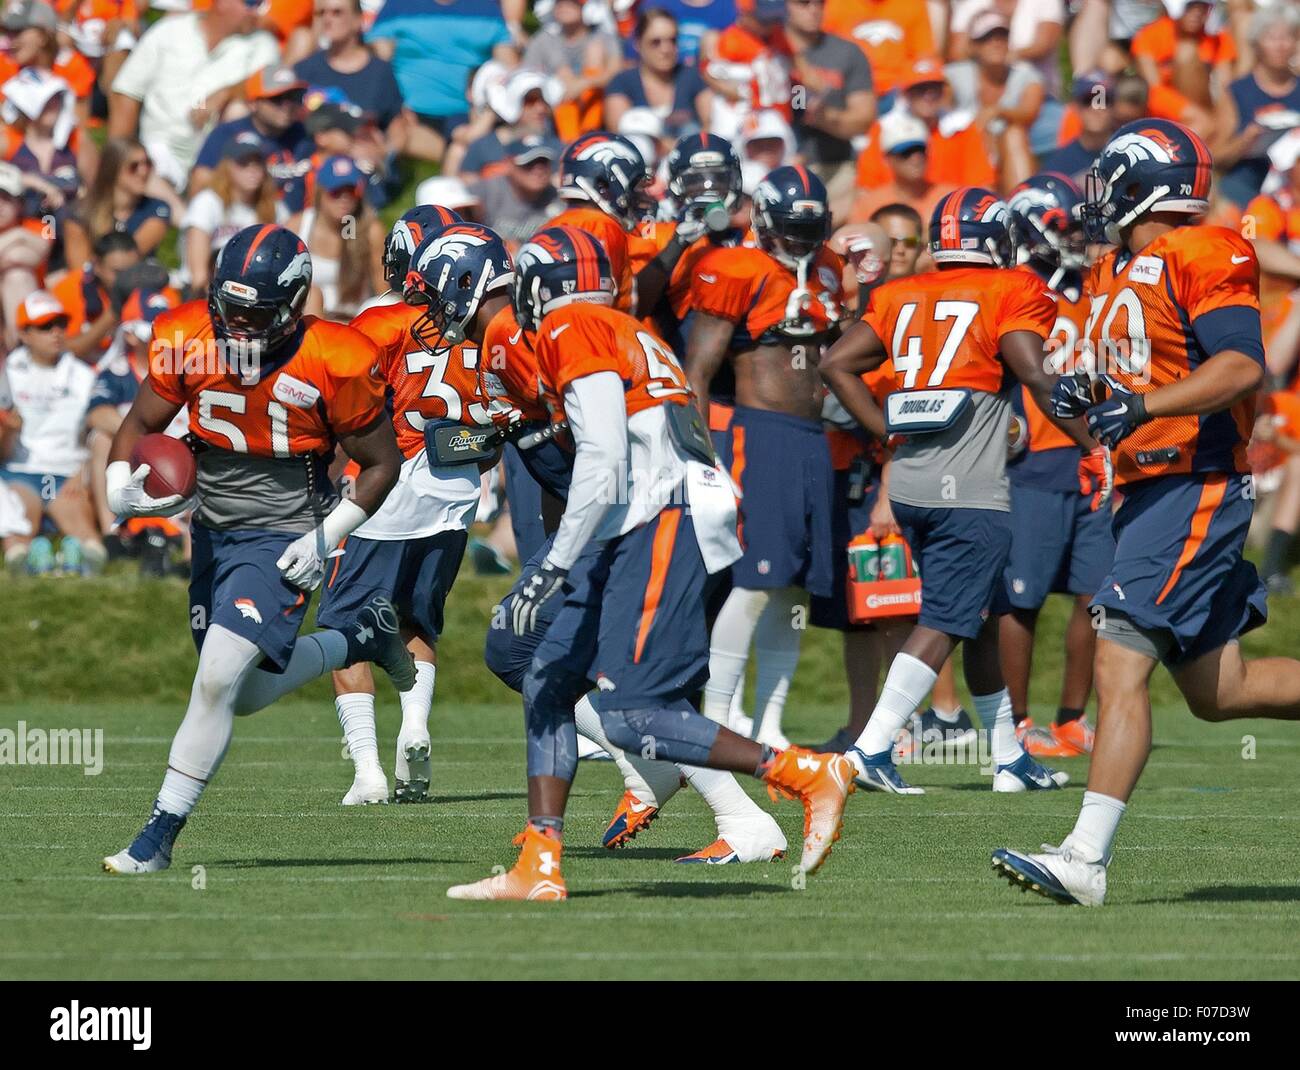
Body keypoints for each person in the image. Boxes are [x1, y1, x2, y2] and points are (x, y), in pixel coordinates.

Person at [446, 225, 855, 900]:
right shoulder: (619, 323)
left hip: (664, 513)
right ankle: (539, 867)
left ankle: (804, 773)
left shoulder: (572, 325)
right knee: (547, 676)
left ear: (537, 286)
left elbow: (603, 458)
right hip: (656, 511)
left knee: (635, 712)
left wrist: (553, 565)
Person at [992, 118, 1300, 907]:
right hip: (1140, 488)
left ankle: (1084, 860)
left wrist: (1141, 405)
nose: (1100, 198)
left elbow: (1239, 364)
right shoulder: (1110, 271)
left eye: (1111, 180)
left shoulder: (1207, 249)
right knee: (1220, 690)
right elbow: (1123, 381)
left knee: (1118, 656)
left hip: (1191, 481)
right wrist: (1084, 398)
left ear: (1144, 184)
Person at [101, 223, 415, 875]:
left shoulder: (337, 356)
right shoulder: (186, 334)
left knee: (215, 677)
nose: (240, 325)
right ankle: (358, 638)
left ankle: (157, 837)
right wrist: (116, 486)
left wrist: (326, 536)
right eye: (231, 308)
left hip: (286, 529)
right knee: (238, 694)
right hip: (214, 530)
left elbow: (382, 463)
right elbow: (139, 425)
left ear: (295, 303)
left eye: (256, 312)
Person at [820, 187, 1098, 794]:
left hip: (917, 477)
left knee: (989, 610)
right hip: (969, 485)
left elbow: (834, 364)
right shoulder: (1013, 289)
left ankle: (1007, 756)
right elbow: (1033, 373)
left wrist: (881, 426)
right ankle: (870, 748)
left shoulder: (898, 294)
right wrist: (1093, 443)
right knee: (947, 618)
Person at [317, 214, 485, 806]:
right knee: (416, 621)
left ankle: (367, 771)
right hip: (457, 496)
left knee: (343, 626)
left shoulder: (379, 322)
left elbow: (345, 402)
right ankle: (414, 726)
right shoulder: (478, 323)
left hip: (385, 495)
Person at [684, 166, 844, 750]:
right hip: (760, 434)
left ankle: (771, 720)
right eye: (792, 226)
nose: (802, 238)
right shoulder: (736, 268)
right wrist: (703, 458)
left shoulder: (830, 268)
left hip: (813, 437)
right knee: (753, 581)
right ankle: (719, 712)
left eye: (811, 227)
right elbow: (698, 371)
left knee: (795, 589)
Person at [997, 173, 1113, 759]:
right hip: (1033, 460)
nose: (1079, 240)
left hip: (1093, 457)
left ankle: (1072, 718)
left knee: (1094, 594)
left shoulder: (1090, 289)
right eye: (1066, 227)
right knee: (1022, 595)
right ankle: (1016, 722)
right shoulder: (1013, 289)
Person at [109, 0, 280, 187]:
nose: (259, 12)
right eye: (251, 3)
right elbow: (127, 90)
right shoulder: (170, 31)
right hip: (159, 151)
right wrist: (119, 160)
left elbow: (270, 89)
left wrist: (226, 93)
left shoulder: (262, 44)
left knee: (238, 109)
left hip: (221, 159)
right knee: (149, 174)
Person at [0, 289, 105, 574]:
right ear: (24, 334)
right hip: (20, 469)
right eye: (46, 326)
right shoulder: (6, 373)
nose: (56, 332)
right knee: (20, 524)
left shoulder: (84, 375)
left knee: (83, 530)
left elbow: (92, 433)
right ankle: (24, 557)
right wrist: (8, 431)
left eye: (60, 324)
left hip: (67, 471)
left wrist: (82, 471)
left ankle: (84, 555)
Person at [783, 0, 875, 223]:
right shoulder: (767, 47)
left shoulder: (847, 52)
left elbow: (864, 119)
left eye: (820, 2)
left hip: (835, 166)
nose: (814, 9)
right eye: (803, 3)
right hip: (778, 161)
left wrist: (824, 118)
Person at [855, 58, 996, 195]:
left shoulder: (962, 128)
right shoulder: (883, 129)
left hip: (951, 213)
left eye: (935, 88)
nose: (929, 95)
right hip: (895, 211)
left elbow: (983, 186)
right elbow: (866, 189)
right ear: (905, 93)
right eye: (920, 88)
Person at [943, 11, 1042, 191]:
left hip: (1007, 153)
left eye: (1002, 36)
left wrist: (997, 111)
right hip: (967, 153)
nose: (996, 43)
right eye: (987, 38)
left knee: (1014, 134)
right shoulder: (954, 75)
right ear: (974, 46)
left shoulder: (1025, 75)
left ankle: (1021, 204)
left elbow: (1029, 112)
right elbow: (940, 110)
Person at [293, 0, 407, 154]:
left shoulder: (380, 73)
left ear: (358, 20)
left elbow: (397, 126)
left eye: (337, 13)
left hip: (363, 166)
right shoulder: (305, 70)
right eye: (322, 13)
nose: (327, 19)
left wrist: (385, 154)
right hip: (314, 164)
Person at [1214, 3, 1300, 209]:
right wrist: (1245, 142)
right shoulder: (1238, 91)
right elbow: (1216, 155)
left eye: (1286, 37)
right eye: (1271, 38)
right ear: (1257, 43)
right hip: (1248, 179)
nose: (1280, 45)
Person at [287, 155, 386, 321]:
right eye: (336, 192)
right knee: (312, 295)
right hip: (308, 322)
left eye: (351, 191)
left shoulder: (369, 230)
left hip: (354, 322)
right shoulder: (298, 227)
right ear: (320, 192)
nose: (344, 198)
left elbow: (383, 292)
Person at [182, 133, 279, 297]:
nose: (252, 169)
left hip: (254, 297)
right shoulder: (207, 202)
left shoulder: (275, 209)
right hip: (203, 293)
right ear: (227, 167)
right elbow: (198, 275)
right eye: (243, 163)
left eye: (258, 163)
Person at [189, 64, 309, 196]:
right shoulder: (225, 135)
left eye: (294, 96)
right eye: (277, 99)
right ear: (253, 104)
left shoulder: (308, 135)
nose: (287, 106)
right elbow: (200, 184)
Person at [522, 0, 623, 142]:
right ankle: (570, 140)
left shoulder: (603, 38)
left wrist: (585, 83)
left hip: (597, 108)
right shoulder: (544, 40)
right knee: (561, 72)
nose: (564, 6)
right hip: (553, 109)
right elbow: (525, 78)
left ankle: (588, 134)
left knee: (595, 53)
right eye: (559, 2)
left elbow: (616, 73)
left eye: (572, 2)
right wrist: (557, 85)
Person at [62, 137, 170, 266]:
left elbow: (127, 258)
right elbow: (79, 269)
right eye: (134, 166)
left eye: (148, 164)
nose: (143, 171)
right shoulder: (80, 213)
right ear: (113, 169)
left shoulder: (157, 209)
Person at [603, 8, 712, 135]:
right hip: (640, 154)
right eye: (655, 42)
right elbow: (619, 137)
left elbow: (709, 127)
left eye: (672, 40)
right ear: (638, 44)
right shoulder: (621, 83)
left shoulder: (693, 77)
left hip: (688, 153)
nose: (666, 49)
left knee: (690, 129)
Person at [850, 113, 954, 225]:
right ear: (887, 159)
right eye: (906, 152)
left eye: (920, 150)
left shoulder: (950, 200)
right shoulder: (869, 205)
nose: (915, 158)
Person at [470, 137, 560, 250]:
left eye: (543, 162)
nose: (538, 170)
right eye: (529, 162)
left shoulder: (559, 198)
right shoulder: (485, 192)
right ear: (508, 164)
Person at [0, 160, 50, 346]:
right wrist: (18, 236)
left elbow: (39, 253)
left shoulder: (42, 224)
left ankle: (22, 352)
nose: (0, 205)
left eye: (6, 198)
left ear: (20, 203)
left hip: (30, 298)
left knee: (17, 275)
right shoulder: (24, 232)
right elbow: (17, 255)